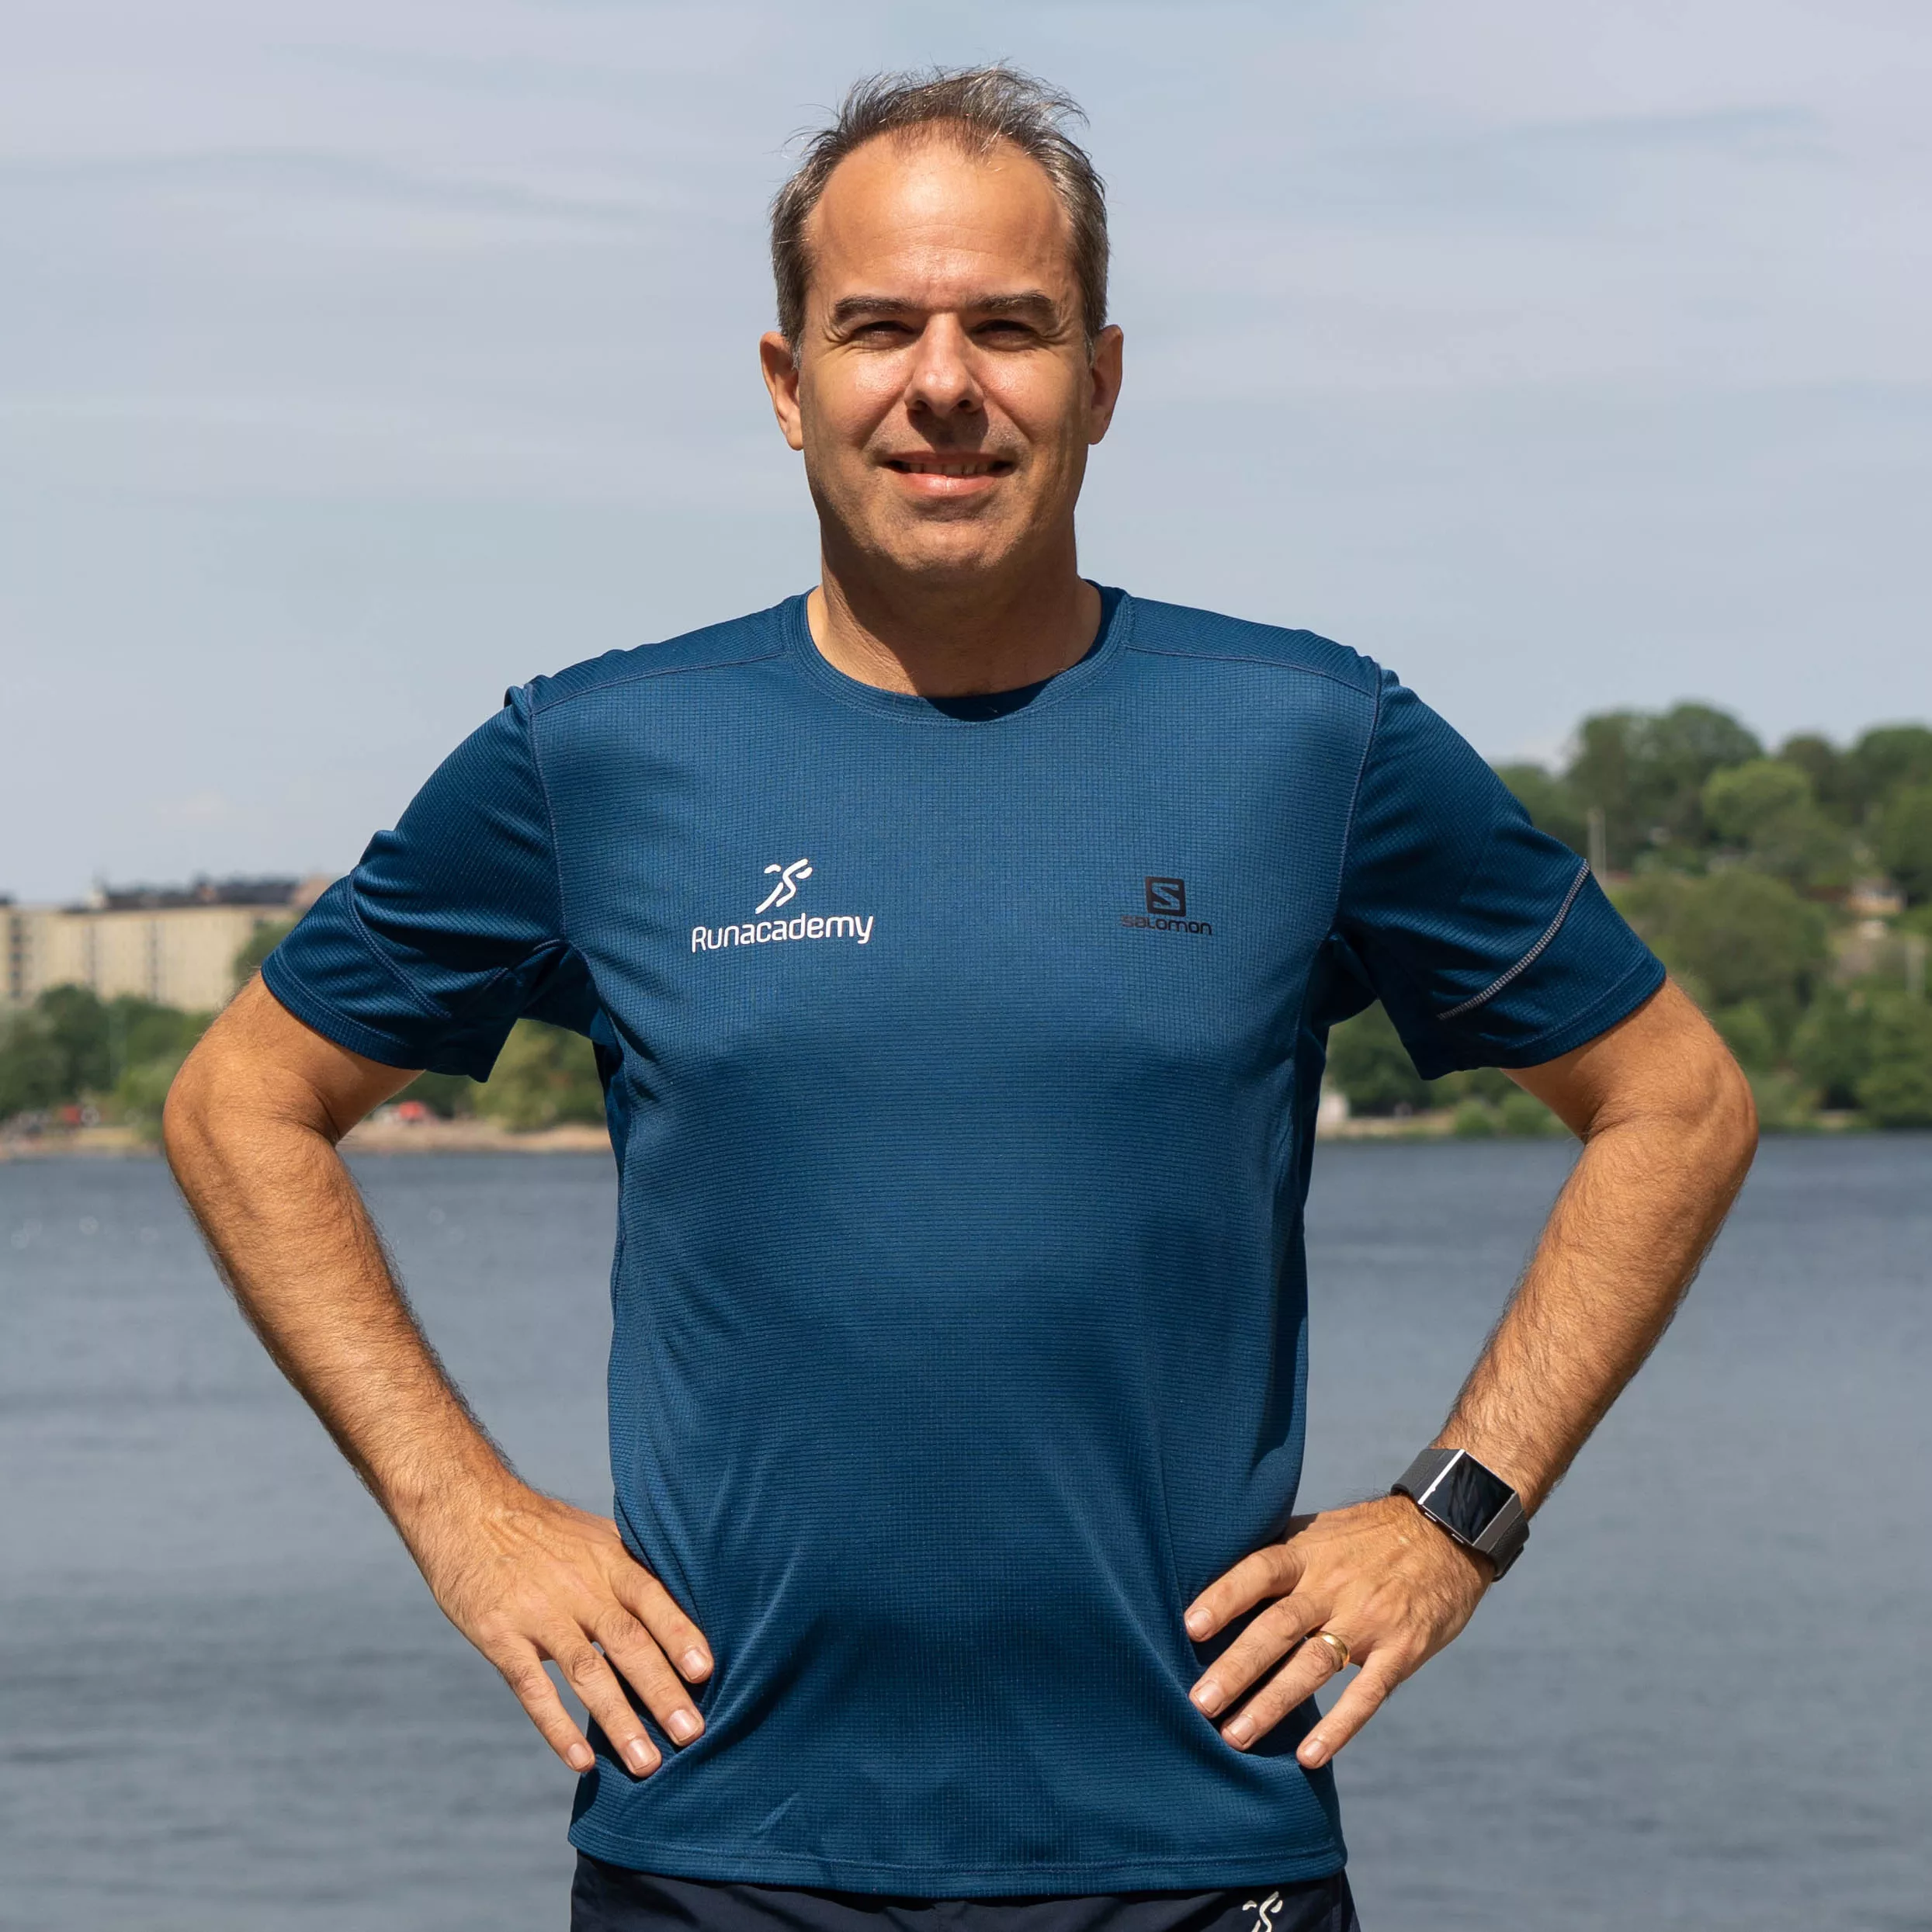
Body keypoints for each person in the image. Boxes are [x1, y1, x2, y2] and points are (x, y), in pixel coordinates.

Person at [165, 66, 1757, 1932]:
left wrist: (1450, 1514)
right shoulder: (590, 757)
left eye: (1007, 326)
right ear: (787, 383)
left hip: (1189, 1844)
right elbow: (239, 1103)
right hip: (718, 1841)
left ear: (1098, 376)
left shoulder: (1307, 743)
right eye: (878, 328)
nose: (942, 384)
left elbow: (1674, 1099)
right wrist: (464, 1512)